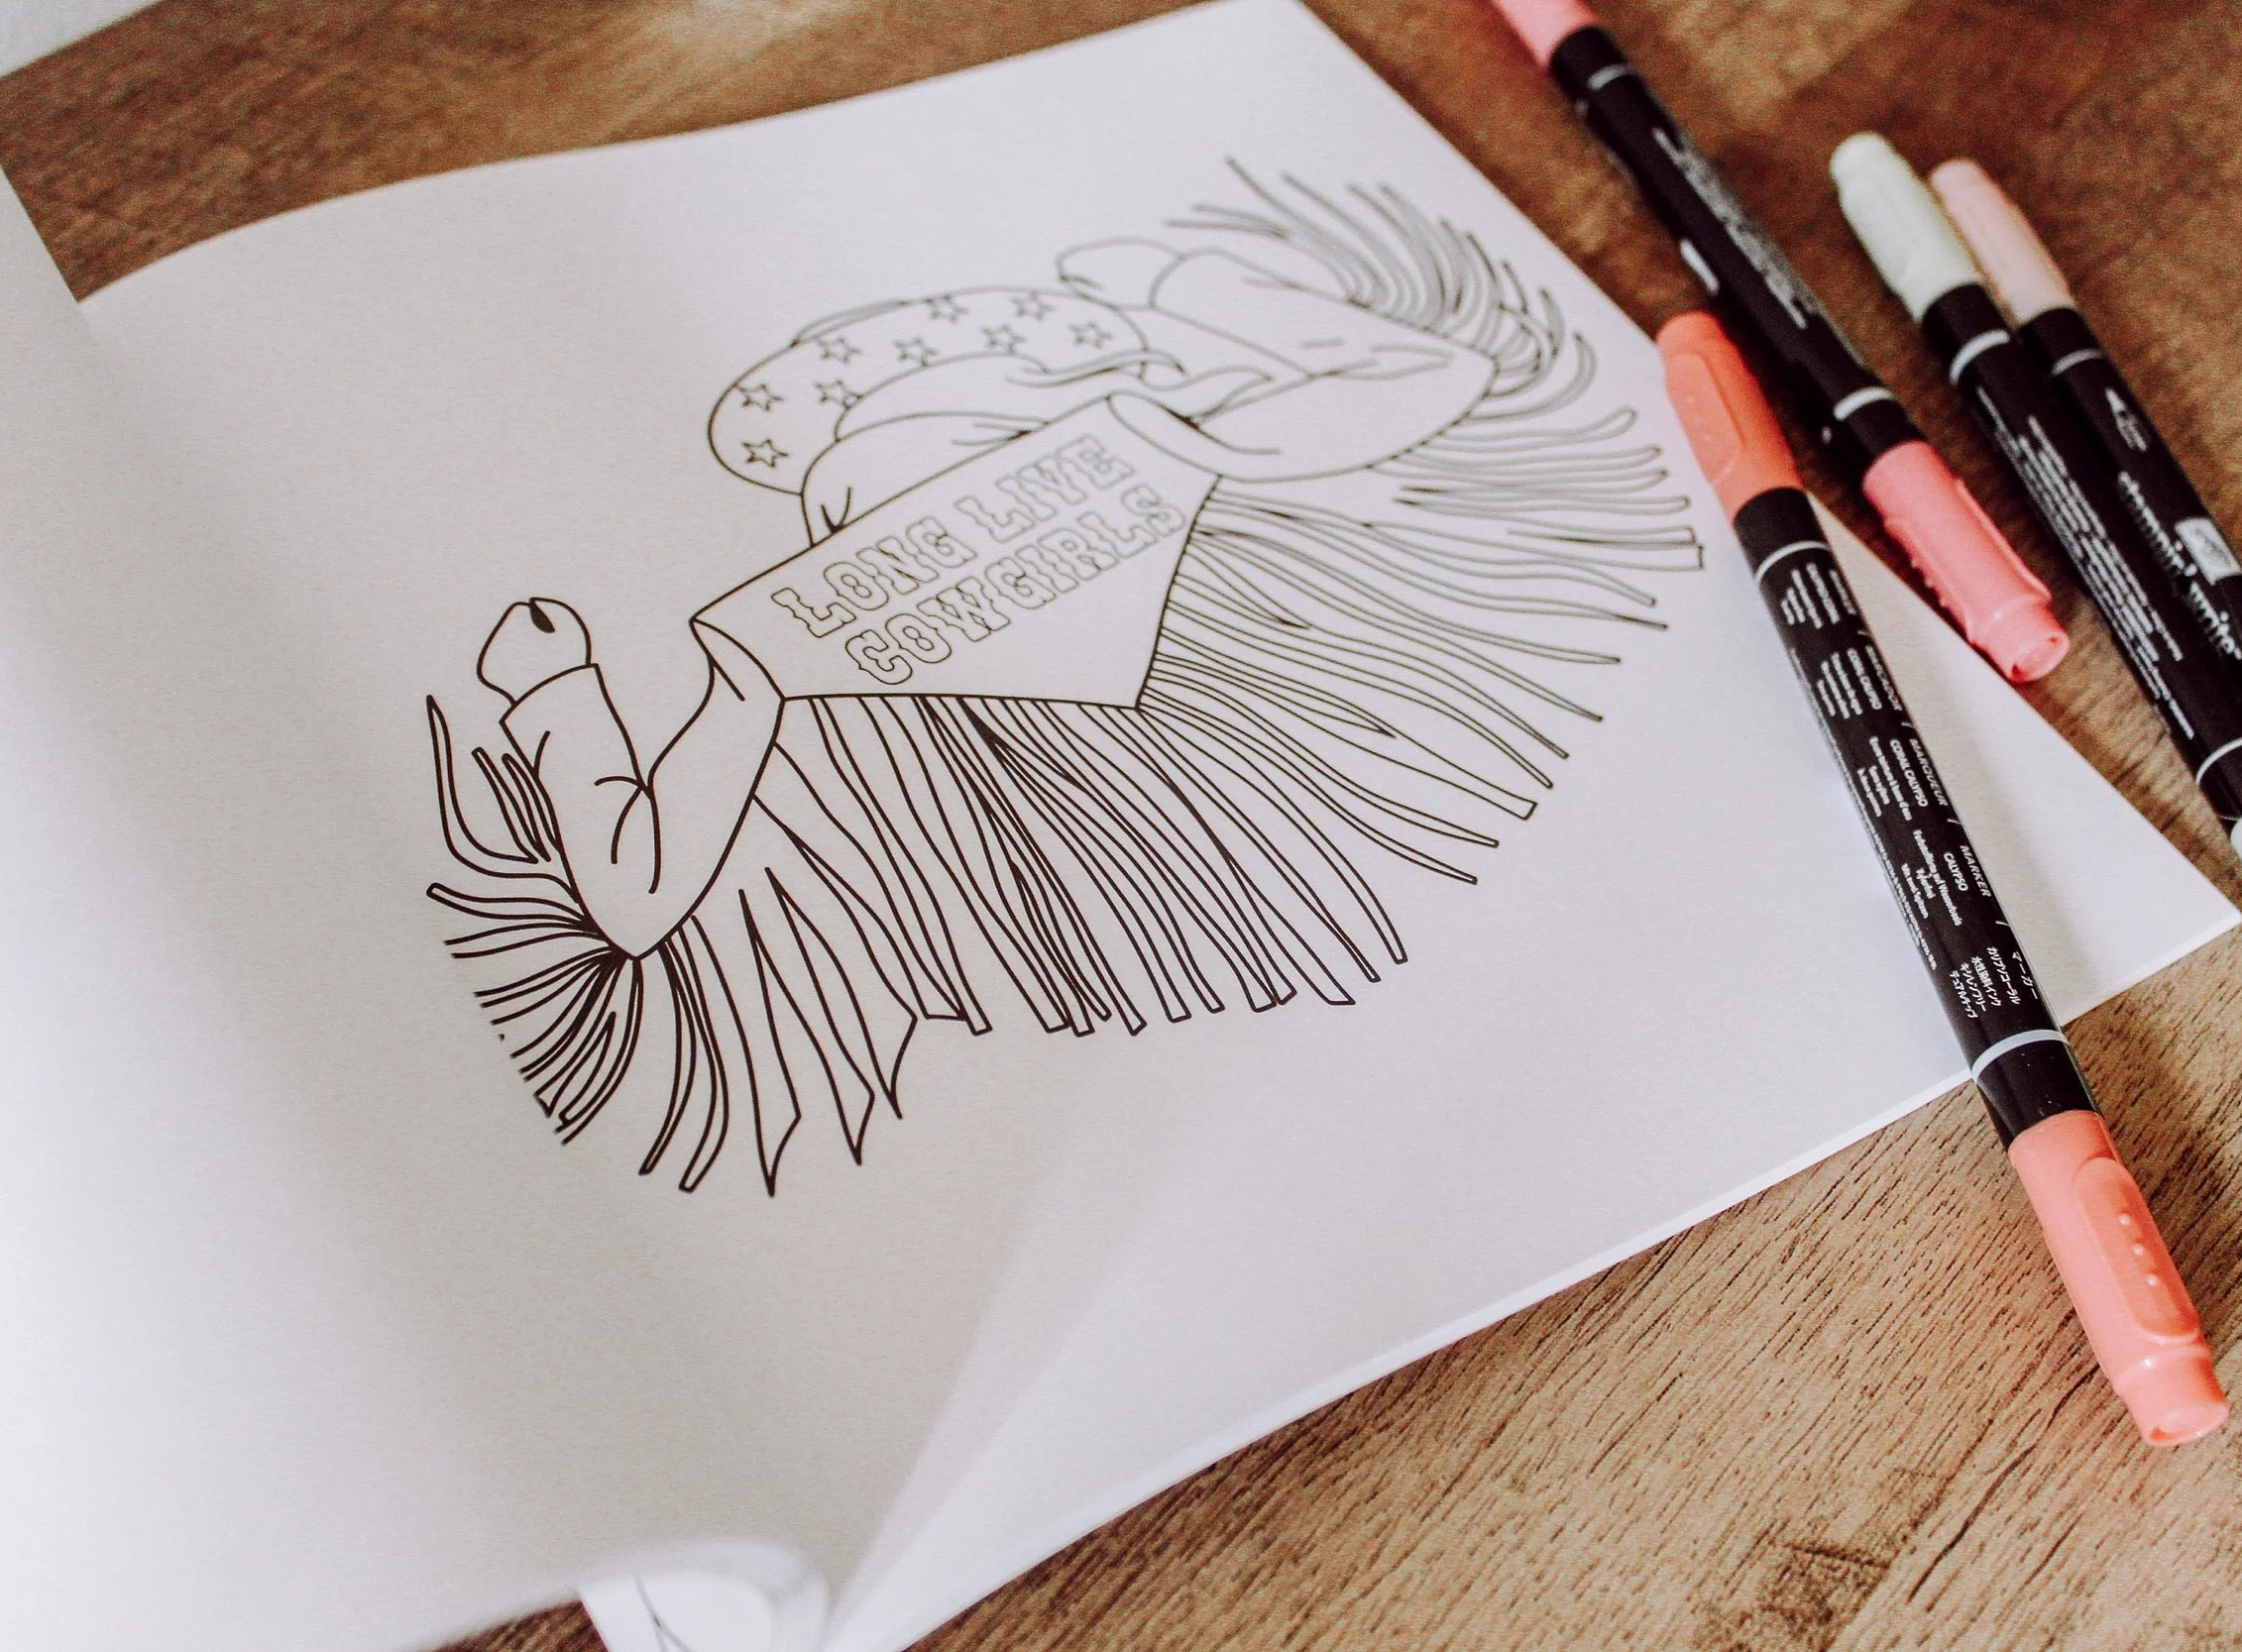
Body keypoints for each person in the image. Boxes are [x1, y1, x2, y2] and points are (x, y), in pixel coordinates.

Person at [431, 178, 1699, 1192]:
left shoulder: (831, 609)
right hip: (1246, 891)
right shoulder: (1131, 466)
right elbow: (1430, 378)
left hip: (1189, 925)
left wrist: (561, 699)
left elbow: (638, 889)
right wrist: (1195, 290)